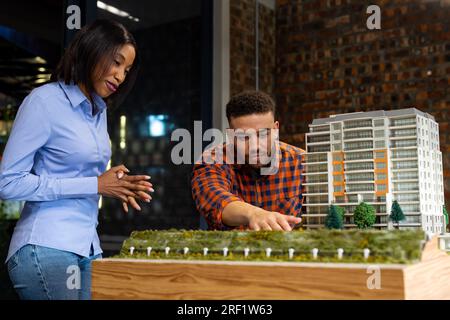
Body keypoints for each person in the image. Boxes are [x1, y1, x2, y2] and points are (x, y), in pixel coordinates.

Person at [0, 19, 153, 300]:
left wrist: (115, 185)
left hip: (87, 247)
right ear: (93, 51)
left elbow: (86, 175)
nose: (120, 76)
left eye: (127, 70)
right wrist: (94, 185)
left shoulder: (98, 111)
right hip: (46, 246)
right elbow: (8, 183)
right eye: (116, 62)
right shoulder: (44, 102)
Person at [191, 91, 304, 231]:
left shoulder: (301, 162)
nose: (255, 146)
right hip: (231, 251)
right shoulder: (213, 160)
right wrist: (254, 214)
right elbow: (215, 199)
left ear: (276, 129)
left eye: (263, 134)